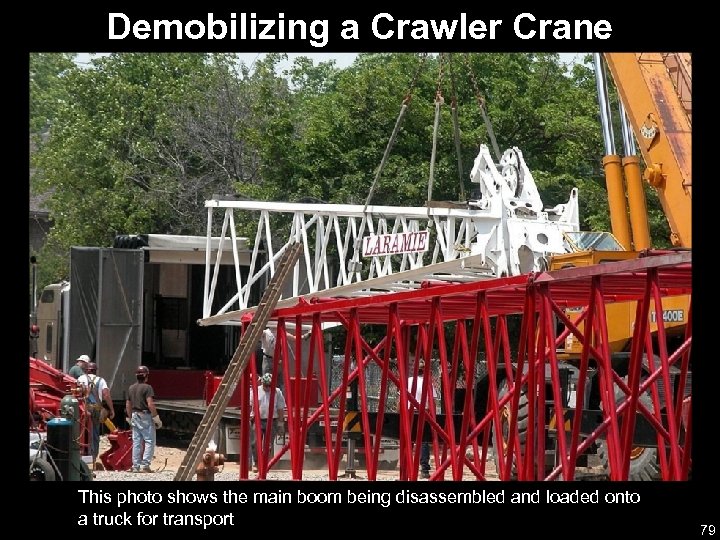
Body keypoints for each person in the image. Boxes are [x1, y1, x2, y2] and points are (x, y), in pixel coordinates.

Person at [125, 365, 162, 473]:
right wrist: (156, 417)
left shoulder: (131, 388)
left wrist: (129, 416)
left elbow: (128, 404)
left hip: (135, 415)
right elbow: (150, 404)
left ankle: (135, 466)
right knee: (149, 440)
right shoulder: (147, 388)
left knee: (136, 441)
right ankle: (145, 465)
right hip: (145, 415)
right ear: (145, 376)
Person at [77, 362, 115, 468]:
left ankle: (82, 456)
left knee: (81, 432)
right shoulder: (101, 380)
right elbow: (106, 394)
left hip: (82, 409)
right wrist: (111, 409)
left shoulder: (80, 379)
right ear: (95, 370)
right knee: (94, 434)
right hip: (96, 410)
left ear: (87, 370)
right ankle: (92, 458)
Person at [407, 359, 438, 479]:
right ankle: (424, 469)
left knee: (408, 440)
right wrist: (432, 416)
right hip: (423, 413)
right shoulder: (428, 382)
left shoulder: (408, 381)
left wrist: (400, 413)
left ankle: (407, 467)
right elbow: (432, 402)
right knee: (424, 441)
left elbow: (400, 400)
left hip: (409, 413)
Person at [249, 373, 286, 473]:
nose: (268, 388)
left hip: (272, 420)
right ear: (262, 383)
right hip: (258, 420)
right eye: (266, 385)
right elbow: (250, 404)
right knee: (255, 442)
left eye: (269, 385)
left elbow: (280, 408)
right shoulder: (256, 391)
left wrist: (280, 424)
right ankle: (256, 463)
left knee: (268, 445)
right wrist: (250, 415)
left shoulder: (277, 392)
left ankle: (265, 464)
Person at [259, 325, 309, 389]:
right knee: (267, 381)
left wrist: (306, 335)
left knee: (279, 383)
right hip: (269, 360)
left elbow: (294, 338)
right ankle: (268, 397)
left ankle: (278, 397)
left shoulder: (281, 332)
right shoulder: (265, 332)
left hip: (279, 360)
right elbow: (257, 334)